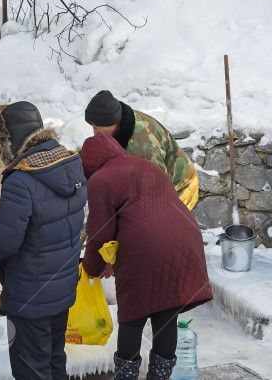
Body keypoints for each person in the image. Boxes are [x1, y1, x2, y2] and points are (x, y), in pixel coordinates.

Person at [80, 133, 212, 380]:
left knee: (133, 316)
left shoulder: (99, 180)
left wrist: (91, 267)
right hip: (184, 239)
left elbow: (100, 233)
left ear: (87, 163)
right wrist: (110, 260)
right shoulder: (145, 164)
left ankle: (126, 376)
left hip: (144, 247)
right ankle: (160, 377)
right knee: (166, 312)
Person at [0, 101, 87, 380]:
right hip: (61, 290)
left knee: (31, 370)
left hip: (30, 296)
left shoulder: (21, 181)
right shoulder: (70, 166)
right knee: (53, 361)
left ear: (8, 142)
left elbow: (3, 242)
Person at [84, 90, 199, 210]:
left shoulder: (143, 150)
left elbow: (157, 191)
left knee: (161, 224)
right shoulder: (122, 118)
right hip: (158, 179)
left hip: (181, 186)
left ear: (114, 122)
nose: (94, 132)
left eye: (98, 127)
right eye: (92, 127)